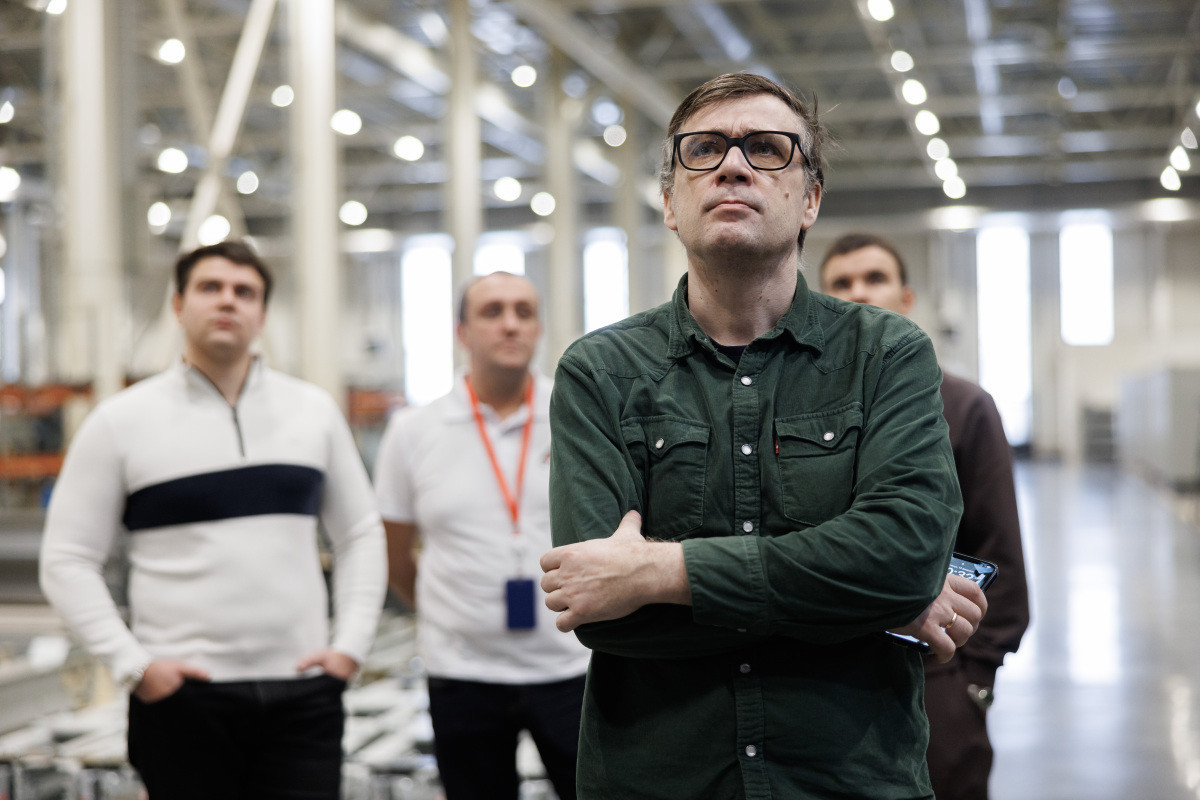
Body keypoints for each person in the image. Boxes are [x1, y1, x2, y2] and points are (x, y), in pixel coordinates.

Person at [537, 72, 988, 800]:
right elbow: (603, 617)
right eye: (703, 149)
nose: (733, 165)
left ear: (810, 200)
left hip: (847, 781)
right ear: (670, 203)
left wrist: (658, 573)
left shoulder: (887, 354)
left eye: (768, 149)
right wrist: (870, 604)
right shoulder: (601, 372)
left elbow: (902, 557)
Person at [39, 240, 387, 800]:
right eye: (210, 287)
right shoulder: (119, 422)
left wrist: (350, 647)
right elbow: (66, 559)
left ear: (262, 314)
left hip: (302, 696)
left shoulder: (313, 412)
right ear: (178, 305)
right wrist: (135, 667)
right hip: (181, 701)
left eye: (245, 292)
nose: (228, 301)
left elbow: (360, 535)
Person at [819, 232, 1031, 800]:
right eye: (841, 284)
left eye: (875, 278)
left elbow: (1002, 558)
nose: (859, 293)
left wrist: (971, 682)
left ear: (906, 298)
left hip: (935, 673)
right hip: (827, 679)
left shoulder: (964, 408)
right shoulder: (805, 415)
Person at [373, 272, 590, 800]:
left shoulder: (577, 417)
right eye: (492, 312)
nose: (510, 324)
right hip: (462, 672)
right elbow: (394, 554)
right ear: (462, 332)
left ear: (539, 328)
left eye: (523, 311)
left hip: (569, 665)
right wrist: (454, 615)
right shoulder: (414, 431)